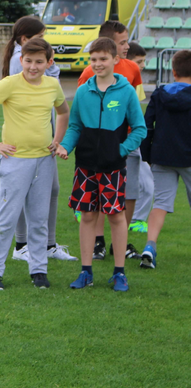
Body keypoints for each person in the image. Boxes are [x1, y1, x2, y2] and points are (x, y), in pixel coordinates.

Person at [0, 38, 70, 290]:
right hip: (15, 162)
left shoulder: (52, 85)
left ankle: (38, 270)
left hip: (44, 161)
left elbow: (63, 112)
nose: (33, 67)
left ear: (49, 62)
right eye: (28, 61)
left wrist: (57, 140)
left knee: (39, 219)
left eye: (39, 62)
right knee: (6, 218)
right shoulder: (9, 83)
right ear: (21, 60)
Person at [56, 38, 146, 292]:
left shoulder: (126, 91)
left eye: (103, 59)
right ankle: (86, 272)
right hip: (85, 165)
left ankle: (119, 273)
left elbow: (139, 129)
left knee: (116, 216)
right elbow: (75, 126)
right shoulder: (83, 90)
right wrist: (66, 146)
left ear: (115, 60)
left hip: (113, 167)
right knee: (87, 216)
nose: (97, 64)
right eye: (93, 59)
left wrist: (120, 150)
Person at [1, 16, 76, 262]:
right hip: (27, 145)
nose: (44, 41)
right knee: (23, 192)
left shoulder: (37, 64)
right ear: (25, 41)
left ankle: (47, 245)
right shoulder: (18, 62)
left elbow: (58, 104)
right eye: (40, 36)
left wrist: (56, 137)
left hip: (44, 140)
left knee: (52, 189)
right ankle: (23, 245)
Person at [76, 21, 145, 260]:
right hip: (93, 151)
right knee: (93, 207)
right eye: (122, 42)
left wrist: (124, 147)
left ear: (113, 59)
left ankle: (120, 246)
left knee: (128, 194)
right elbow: (82, 114)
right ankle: (98, 243)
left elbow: (137, 112)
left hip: (123, 146)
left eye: (127, 41)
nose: (127, 46)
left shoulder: (133, 71)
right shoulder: (87, 76)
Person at [138, 50, 191, 270]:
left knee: (160, 204)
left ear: (174, 71)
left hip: (162, 155)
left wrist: (147, 154)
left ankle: (150, 246)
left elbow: (147, 125)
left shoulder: (160, 94)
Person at [125, 42, 153, 234]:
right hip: (124, 140)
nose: (142, 65)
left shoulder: (134, 79)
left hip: (133, 139)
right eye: (139, 61)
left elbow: (138, 105)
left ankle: (137, 219)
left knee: (147, 184)